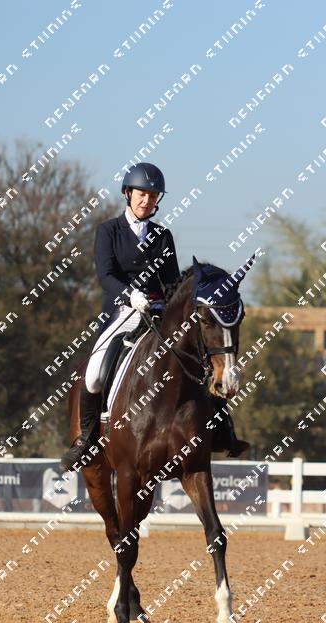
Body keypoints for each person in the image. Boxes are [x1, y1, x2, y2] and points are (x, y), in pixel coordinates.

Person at [60, 162, 248, 471]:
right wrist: (130, 295)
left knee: (200, 356)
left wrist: (165, 304)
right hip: (122, 312)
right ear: (128, 193)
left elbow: (172, 281)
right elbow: (106, 275)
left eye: (152, 196)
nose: (147, 201)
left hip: (158, 313)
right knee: (93, 374)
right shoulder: (108, 231)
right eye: (142, 194)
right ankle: (87, 440)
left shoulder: (163, 236)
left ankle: (222, 429)